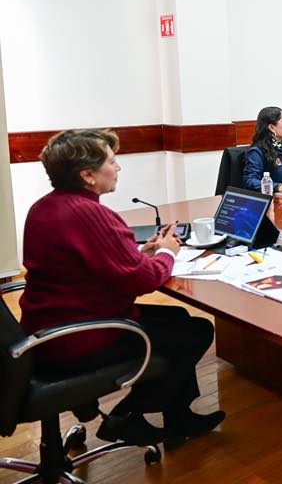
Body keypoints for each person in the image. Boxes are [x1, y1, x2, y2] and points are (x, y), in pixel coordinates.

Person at [19, 129, 225, 448]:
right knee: (195, 332)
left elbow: (89, 263)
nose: (118, 167)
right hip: (81, 337)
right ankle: (130, 414)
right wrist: (168, 252)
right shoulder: (90, 214)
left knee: (179, 318)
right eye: (111, 161)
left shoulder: (44, 207)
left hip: (50, 328)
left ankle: (179, 418)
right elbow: (142, 281)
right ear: (87, 175)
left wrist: (141, 253)